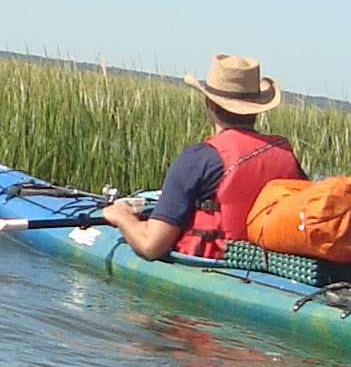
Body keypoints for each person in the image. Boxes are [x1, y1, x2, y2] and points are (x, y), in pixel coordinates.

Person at [94, 54, 308, 262]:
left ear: (210, 103)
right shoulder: (286, 156)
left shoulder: (199, 158)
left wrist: (121, 216)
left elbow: (151, 246)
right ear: (257, 109)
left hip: (215, 262)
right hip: (267, 264)